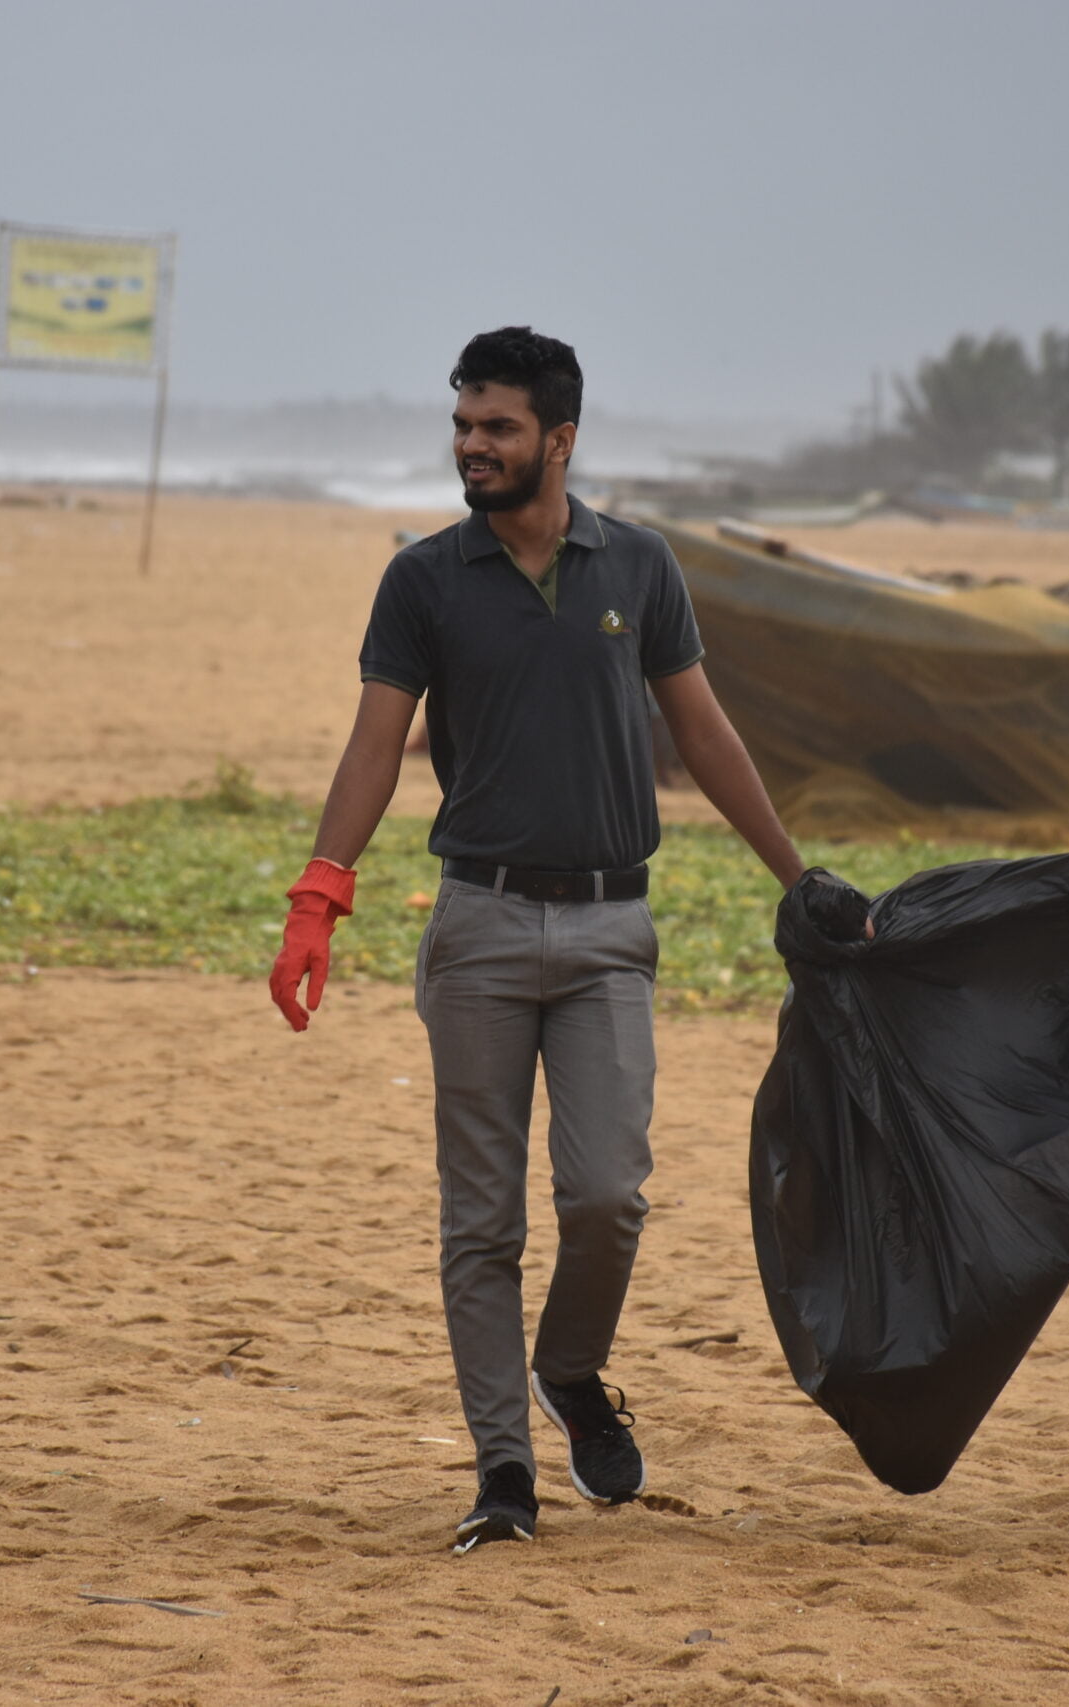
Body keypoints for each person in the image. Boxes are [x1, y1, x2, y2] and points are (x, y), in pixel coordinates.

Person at [269, 327, 812, 1552]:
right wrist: (320, 892)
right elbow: (374, 745)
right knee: (481, 1222)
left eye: (497, 428)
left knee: (609, 1195)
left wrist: (797, 877)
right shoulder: (423, 578)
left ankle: (568, 1372)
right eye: (462, 425)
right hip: (479, 923)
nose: (472, 446)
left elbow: (707, 735)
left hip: (614, 925)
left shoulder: (641, 566)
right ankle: (502, 1473)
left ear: (558, 440)